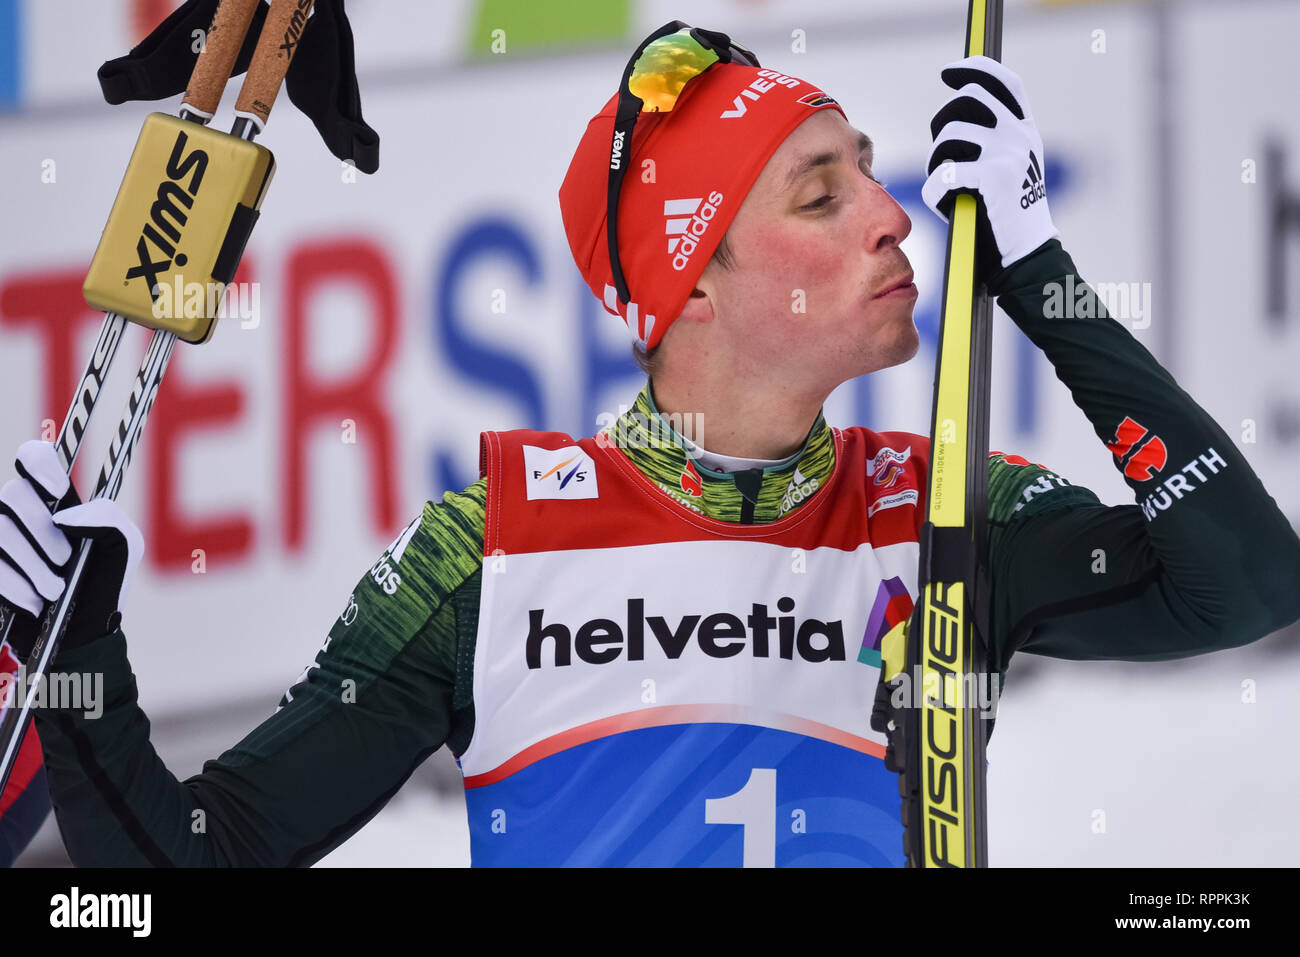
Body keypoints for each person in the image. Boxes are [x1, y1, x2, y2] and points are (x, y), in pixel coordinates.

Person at [0, 22, 1297, 868]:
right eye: (821, 193)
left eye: (871, 170)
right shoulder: (492, 550)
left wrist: (1045, 276)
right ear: (690, 291)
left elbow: (1248, 584)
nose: (898, 217)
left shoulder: (939, 512)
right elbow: (180, 866)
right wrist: (77, 656)